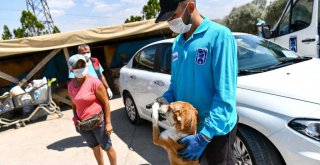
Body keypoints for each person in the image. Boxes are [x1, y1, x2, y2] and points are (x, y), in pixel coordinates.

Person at [154, 0, 238, 164]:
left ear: (190, 7)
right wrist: (164, 100)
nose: (170, 22)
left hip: (216, 131)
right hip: (188, 128)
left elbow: (225, 94)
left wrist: (204, 137)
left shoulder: (219, 35)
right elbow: (176, 84)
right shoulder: (177, 43)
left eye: (174, 16)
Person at [68, 54, 117, 165]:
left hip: (98, 122)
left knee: (107, 147)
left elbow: (106, 103)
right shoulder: (71, 85)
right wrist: (75, 119)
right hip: (83, 125)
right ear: (71, 68)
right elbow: (74, 104)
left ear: (86, 65)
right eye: (77, 66)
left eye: (82, 64)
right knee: (95, 148)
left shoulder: (95, 83)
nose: (80, 67)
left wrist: (108, 123)